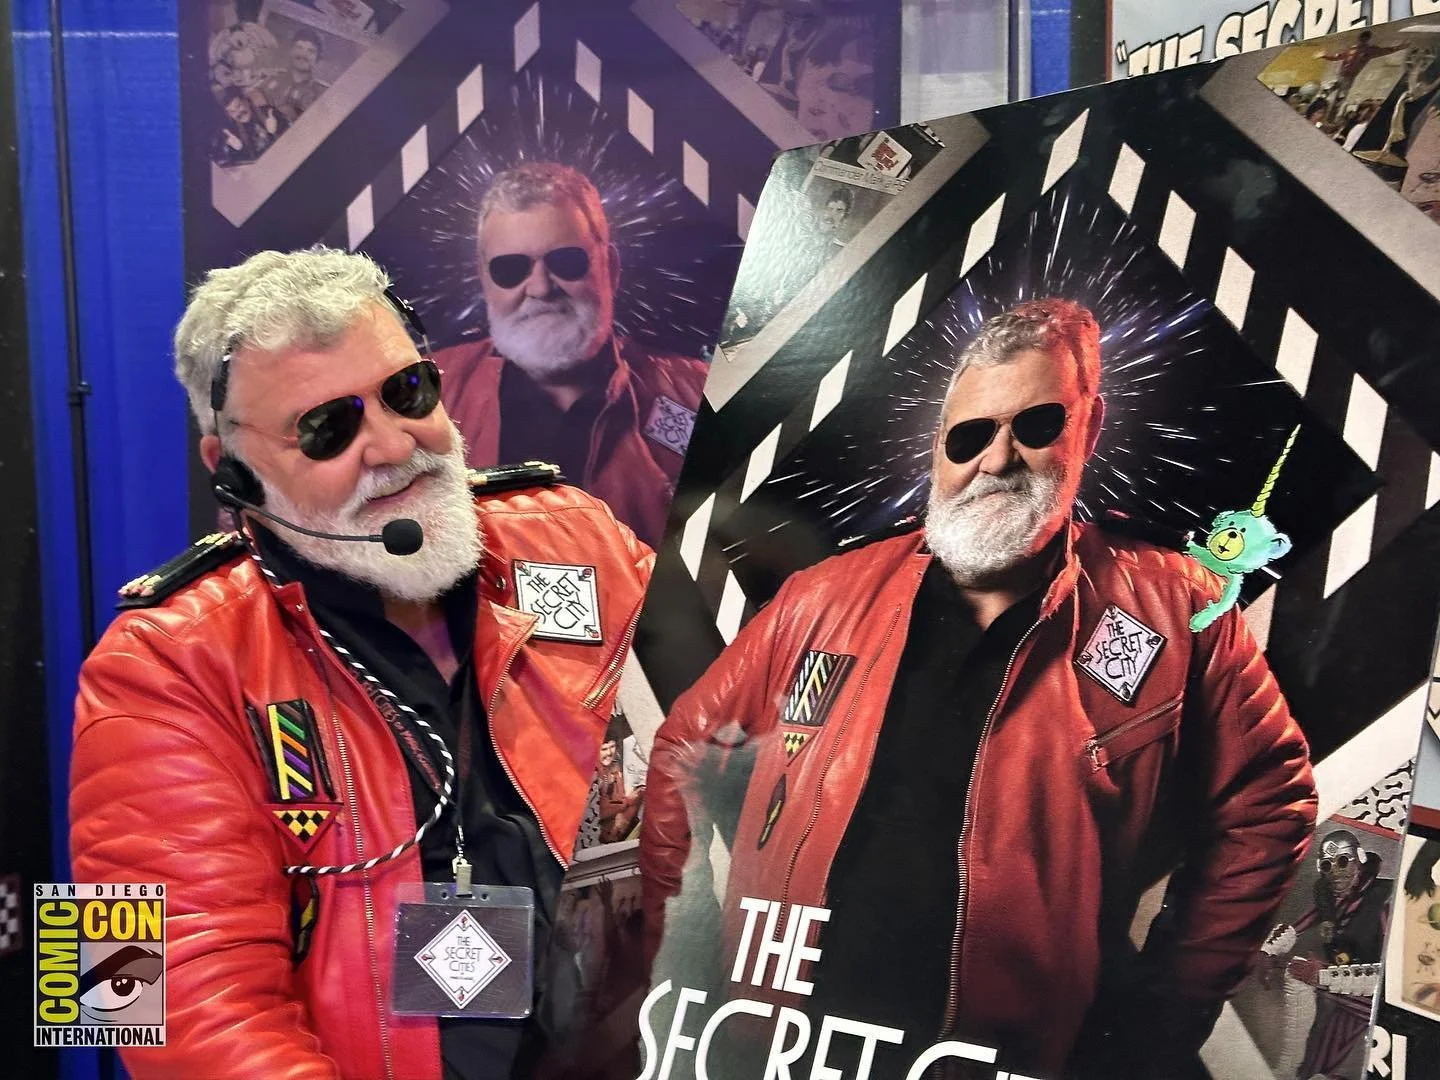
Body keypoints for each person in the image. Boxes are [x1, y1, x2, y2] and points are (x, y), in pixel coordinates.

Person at [639, 298, 1317, 1079]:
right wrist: (678, 948)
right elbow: (686, 744)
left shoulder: (1179, 611)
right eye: (970, 436)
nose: (996, 460)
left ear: (1088, 429)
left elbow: (1268, 805)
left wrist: (1160, 1018)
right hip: (779, 1054)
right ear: (938, 452)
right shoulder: (818, 598)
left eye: (1034, 425)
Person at [69, 248, 654, 1079]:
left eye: (407, 392)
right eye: (326, 428)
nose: (391, 445)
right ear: (231, 470)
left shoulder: (573, 538)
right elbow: (143, 1002)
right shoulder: (157, 665)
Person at [434, 162, 708, 550]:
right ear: (484, 280)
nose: (541, 287)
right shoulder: (428, 395)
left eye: (565, 262)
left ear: (610, 268)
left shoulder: (703, 398)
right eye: (511, 269)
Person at [1260, 830, 1394, 1078]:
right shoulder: (1329, 897)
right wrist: (1267, 951)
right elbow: (1296, 927)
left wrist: (1326, 977)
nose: (1335, 872)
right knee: (1298, 971)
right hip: (1340, 991)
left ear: (1359, 859)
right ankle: (1292, 1067)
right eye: (1326, 865)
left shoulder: (1382, 899)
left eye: (1343, 861)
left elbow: (1389, 976)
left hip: (1372, 999)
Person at [264, 27, 331, 124]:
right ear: (291, 50)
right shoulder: (269, 79)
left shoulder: (322, 93)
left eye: (310, 51)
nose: (303, 54)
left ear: (318, 58)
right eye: (299, 47)